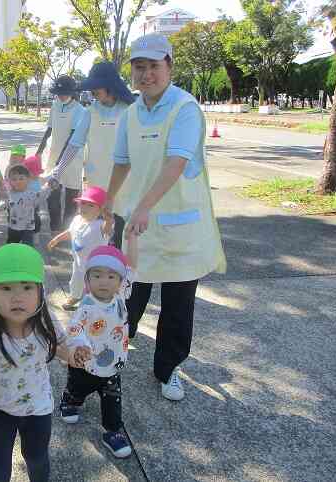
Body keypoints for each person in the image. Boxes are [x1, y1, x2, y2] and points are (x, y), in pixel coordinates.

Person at [106, 33, 227, 401]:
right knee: (127, 293)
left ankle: (168, 367)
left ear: (170, 66)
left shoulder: (185, 108)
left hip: (179, 225)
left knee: (177, 303)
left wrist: (145, 205)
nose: (146, 75)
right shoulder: (131, 113)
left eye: (154, 66)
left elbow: (176, 162)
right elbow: (122, 162)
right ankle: (113, 349)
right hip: (136, 222)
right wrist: (108, 203)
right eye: (139, 67)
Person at [0, 243, 79, 482]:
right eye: (6, 288)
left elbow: (58, 348)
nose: (17, 297)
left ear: (41, 292)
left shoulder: (46, 324)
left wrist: (74, 357)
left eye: (27, 287)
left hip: (38, 409)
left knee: (37, 459)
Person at [59, 243, 137, 459]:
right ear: (87, 279)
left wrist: (132, 238)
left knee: (113, 401)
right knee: (78, 390)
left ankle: (112, 432)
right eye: (97, 275)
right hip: (87, 364)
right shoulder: (86, 306)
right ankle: (69, 400)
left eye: (112, 276)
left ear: (121, 282)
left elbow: (133, 268)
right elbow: (74, 328)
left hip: (113, 367)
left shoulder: (121, 297)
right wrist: (80, 344)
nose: (104, 281)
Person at [50, 61, 135, 249]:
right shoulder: (90, 112)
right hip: (97, 182)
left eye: (97, 88)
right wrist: (57, 171)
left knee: (120, 232)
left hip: (125, 182)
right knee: (98, 234)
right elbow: (74, 144)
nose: (93, 92)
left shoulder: (130, 110)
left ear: (110, 86)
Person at [47, 186, 113, 311]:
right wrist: (57, 239)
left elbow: (107, 229)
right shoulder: (77, 219)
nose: (84, 208)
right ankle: (75, 296)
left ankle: (94, 303)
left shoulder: (100, 225)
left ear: (101, 210)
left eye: (91, 205)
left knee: (93, 284)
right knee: (76, 280)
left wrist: (108, 221)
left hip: (95, 265)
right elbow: (70, 231)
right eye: (83, 203)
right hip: (78, 260)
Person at [36, 76, 86, 231]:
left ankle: (68, 228)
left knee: (72, 195)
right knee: (52, 192)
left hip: (72, 157)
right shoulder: (55, 105)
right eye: (58, 92)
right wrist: (39, 151)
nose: (61, 95)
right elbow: (49, 129)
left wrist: (61, 162)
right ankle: (55, 226)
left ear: (72, 92)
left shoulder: (80, 110)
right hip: (53, 155)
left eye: (64, 92)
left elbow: (73, 137)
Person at [6, 164, 49, 246]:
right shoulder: (9, 194)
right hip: (13, 227)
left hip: (28, 228)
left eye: (21, 178)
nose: (18, 181)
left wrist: (49, 187)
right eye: (14, 179)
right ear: (10, 181)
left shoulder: (31, 194)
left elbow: (41, 196)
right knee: (11, 247)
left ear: (28, 180)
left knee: (27, 247)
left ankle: (27, 258)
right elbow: (5, 205)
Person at [24, 154, 44, 234]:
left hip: (35, 204)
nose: (37, 175)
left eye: (38, 173)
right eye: (34, 173)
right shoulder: (25, 180)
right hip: (25, 204)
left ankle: (36, 233)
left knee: (36, 219)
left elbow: (40, 192)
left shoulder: (37, 180)